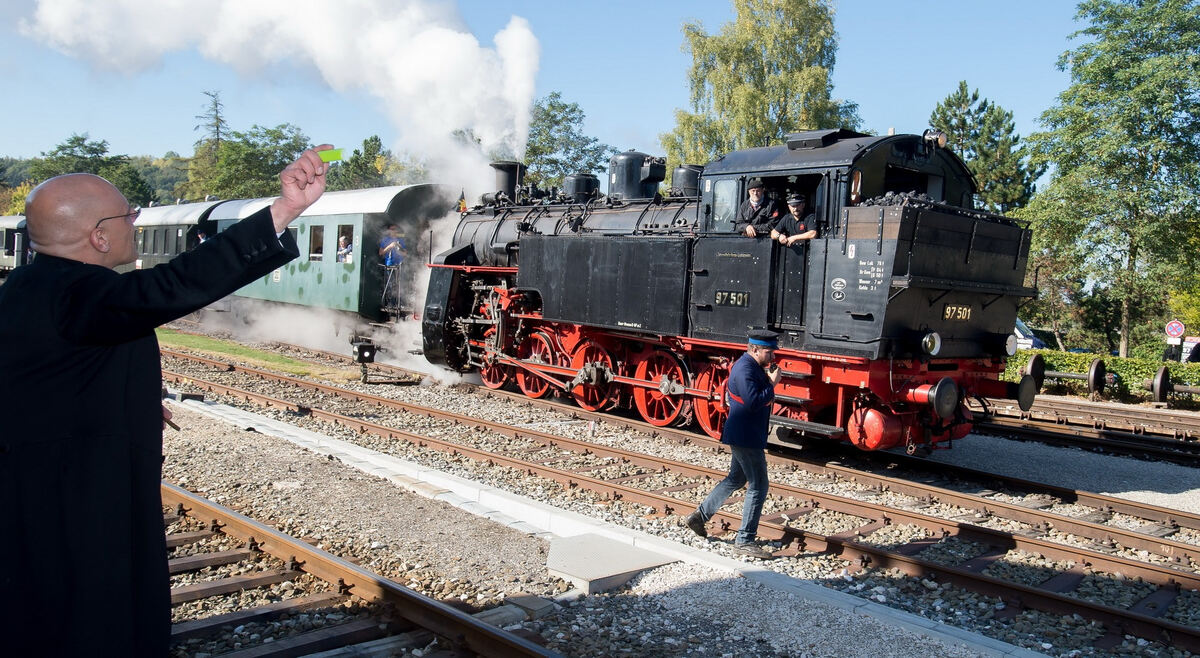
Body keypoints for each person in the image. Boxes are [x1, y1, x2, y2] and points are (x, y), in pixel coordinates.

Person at [0, 146, 331, 656]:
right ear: (99, 236)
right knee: (92, 620)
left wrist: (125, 398)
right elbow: (175, 285)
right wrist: (282, 212)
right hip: (80, 507)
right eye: (128, 215)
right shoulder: (86, 295)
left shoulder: (24, 287)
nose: (136, 222)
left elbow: (51, 374)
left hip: (36, 488)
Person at [683, 329, 782, 559]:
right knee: (759, 485)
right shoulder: (745, 369)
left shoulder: (750, 366)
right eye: (769, 351)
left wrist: (767, 380)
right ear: (754, 349)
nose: (773, 356)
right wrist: (772, 384)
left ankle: (699, 516)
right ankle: (745, 540)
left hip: (744, 434)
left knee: (736, 479)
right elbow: (753, 402)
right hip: (745, 436)